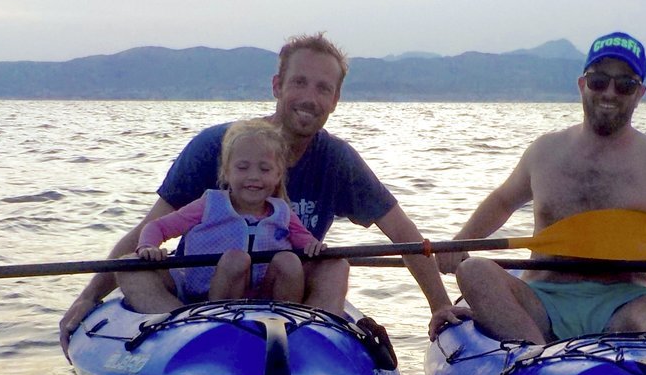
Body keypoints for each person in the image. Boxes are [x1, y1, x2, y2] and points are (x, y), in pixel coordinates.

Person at [59, 33, 465, 349]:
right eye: (299, 83)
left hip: (283, 286)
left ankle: (311, 341)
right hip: (203, 286)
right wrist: (88, 297)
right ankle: (185, 333)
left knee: (336, 265)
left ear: (336, 99)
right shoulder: (216, 147)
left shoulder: (339, 160)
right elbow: (149, 228)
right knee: (132, 267)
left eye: (323, 88)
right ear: (277, 86)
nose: (310, 98)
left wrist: (439, 305)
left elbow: (404, 236)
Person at [439, 31, 646, 344]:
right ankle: (535, 360)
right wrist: (459, 242)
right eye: (599, 81)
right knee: (474, 272)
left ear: (640, 93)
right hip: (541, 300)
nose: (610, 93)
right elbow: (503, 201)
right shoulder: (545, 152)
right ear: (581, 85)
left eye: (624, 84)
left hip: (622, 306)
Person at [135, 119, 322, 304]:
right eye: (242, 168)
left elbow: (308, 244)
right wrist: (148, 247)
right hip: (203, 300)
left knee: (289, 260)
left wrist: (315, 247)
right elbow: (157, 227)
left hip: (263, 300)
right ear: (226, 172)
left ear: (278, 175)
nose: (254, 176)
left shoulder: (283, 213)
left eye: (265, 169)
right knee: (235, 260)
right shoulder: (209, 205)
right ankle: (208, 318)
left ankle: (287, 321)